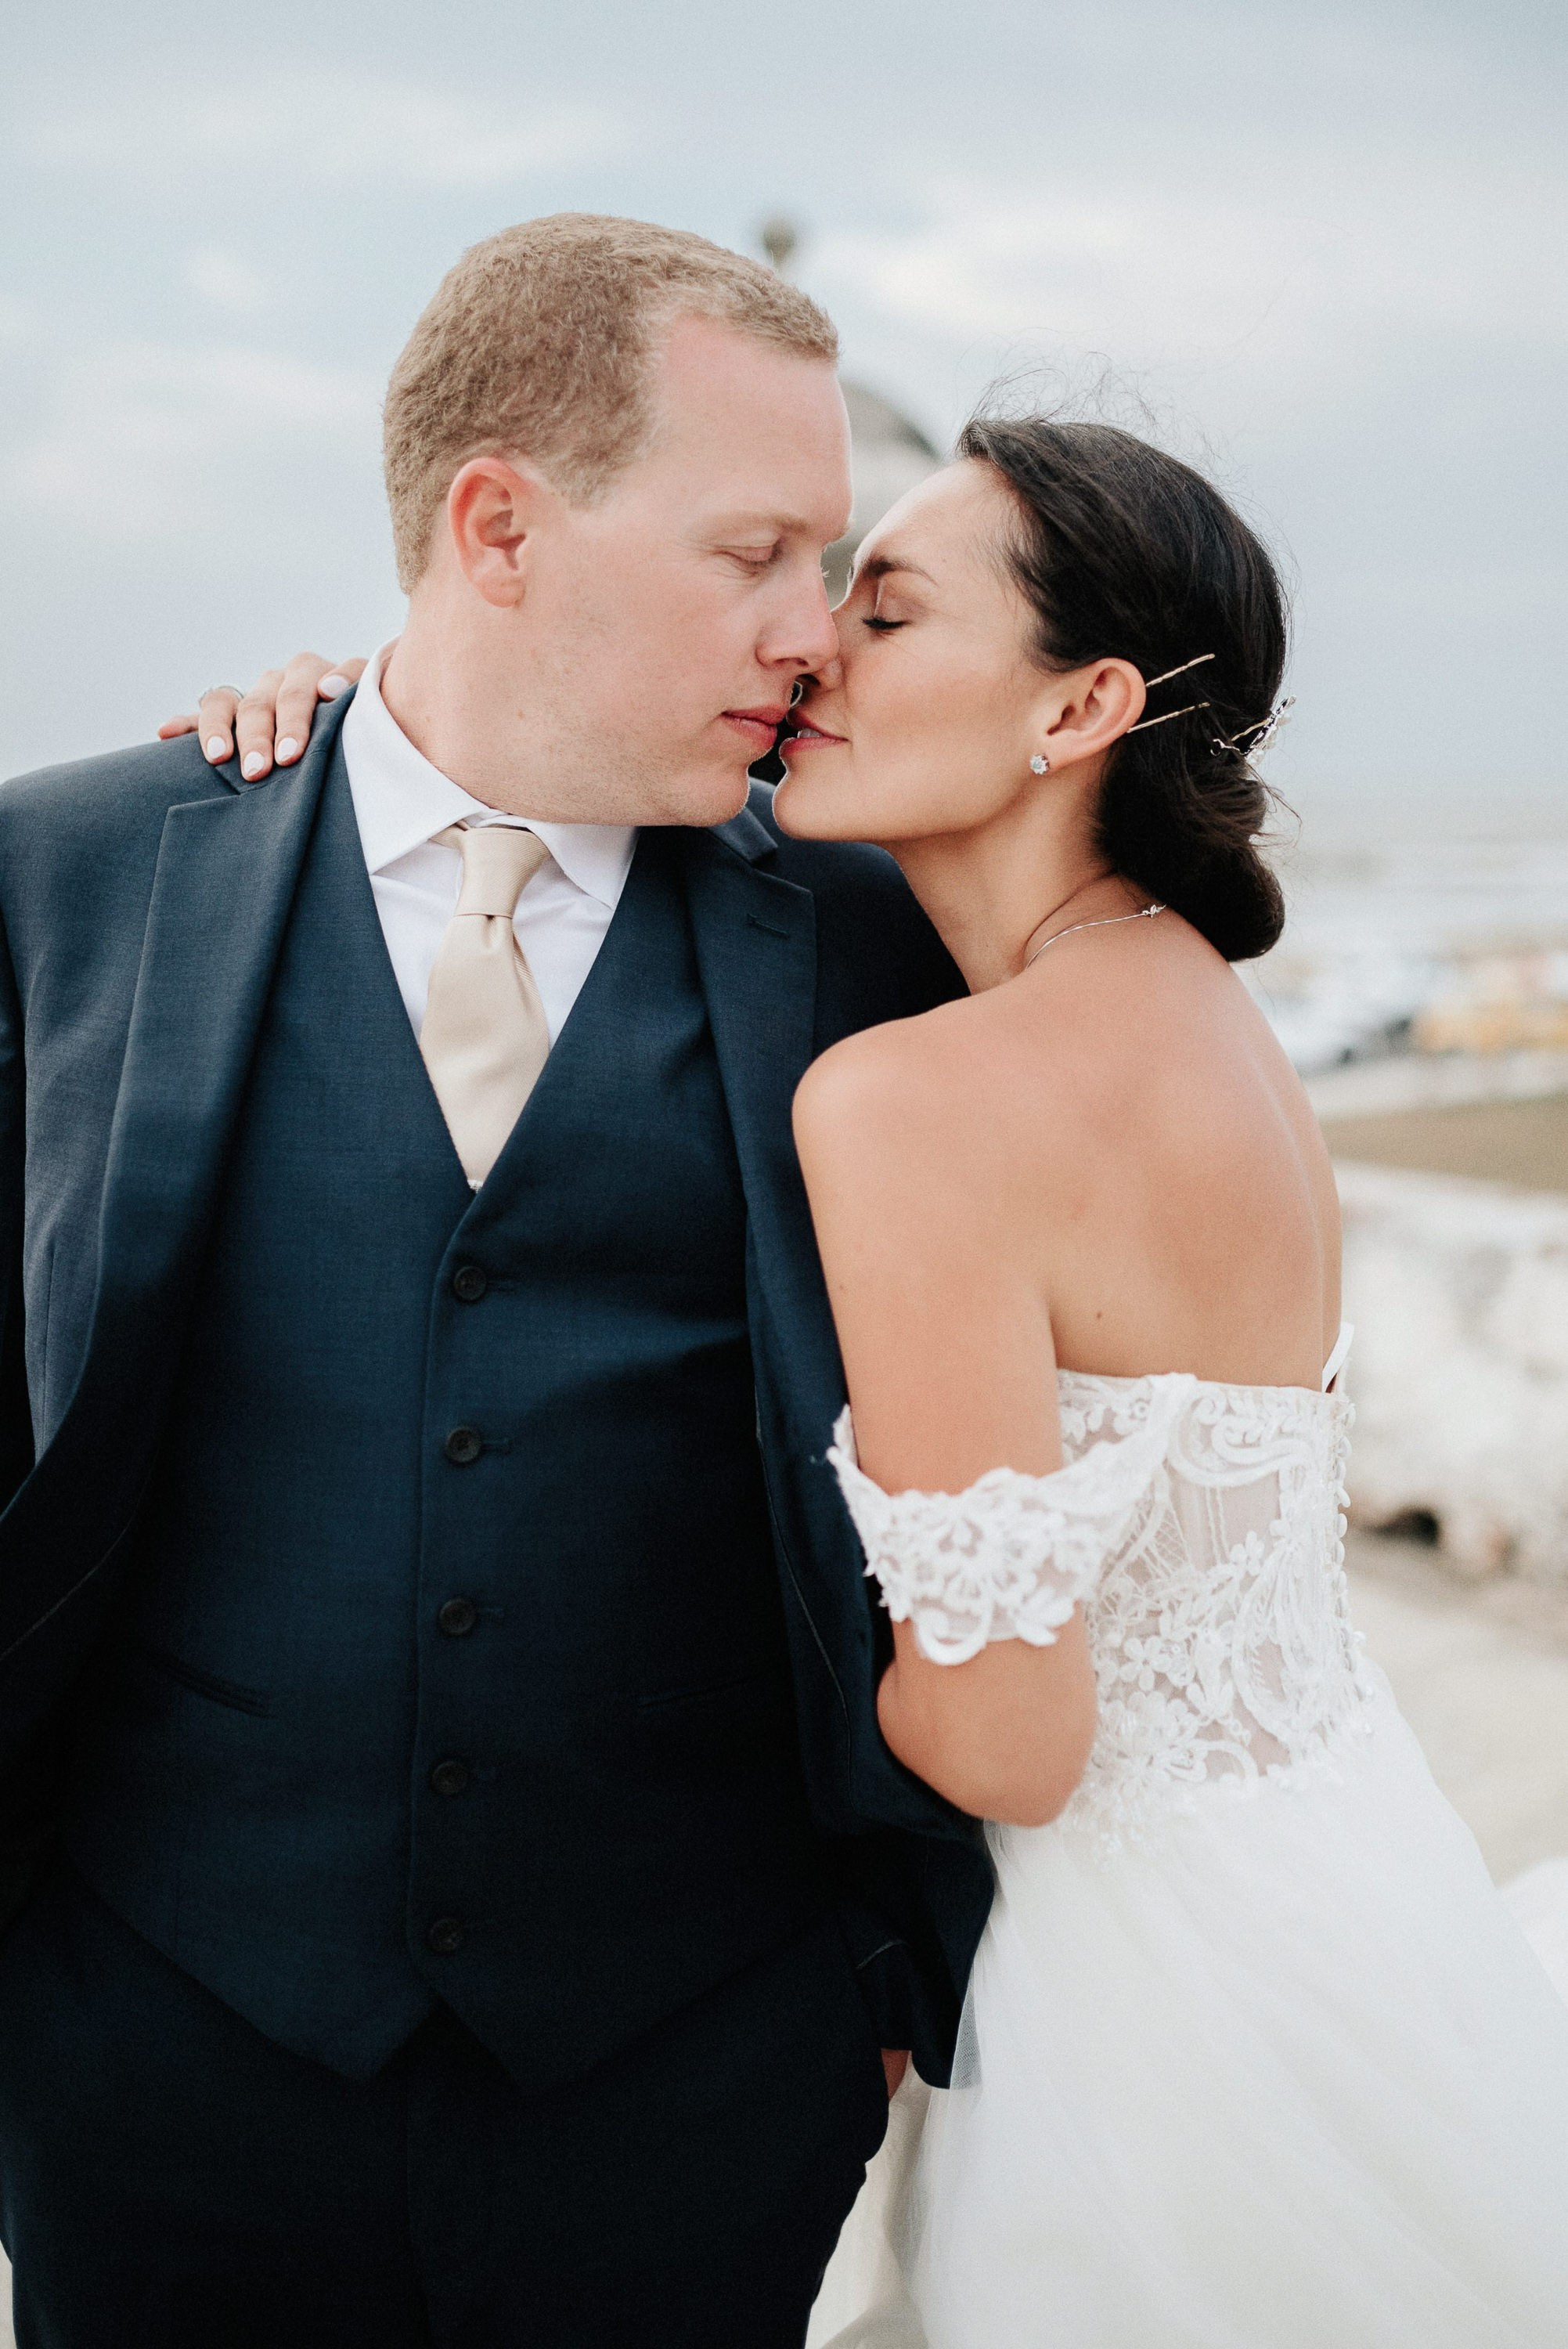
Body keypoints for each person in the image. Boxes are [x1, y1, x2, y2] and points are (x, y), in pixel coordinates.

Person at [152, 357, 1568, 2347]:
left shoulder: (926, 1100)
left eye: (886, 609)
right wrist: (339, 732)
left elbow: (1009, 1734)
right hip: (1345, 1891)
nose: (813, 641)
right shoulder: (1206, 1010)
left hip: (1140, 2014)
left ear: (1080, 708)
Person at [0, 215, 993, 2349]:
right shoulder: (68, 881)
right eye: (753, 552)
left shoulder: (869, 944)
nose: (807, 633)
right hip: (143, 2065)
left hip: (693, 2082)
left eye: (829, 565)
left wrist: (866, 1971)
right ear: (498, 527)